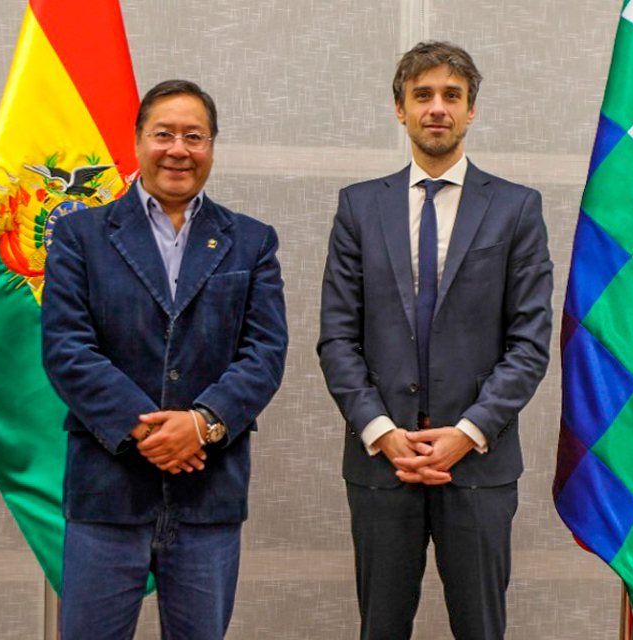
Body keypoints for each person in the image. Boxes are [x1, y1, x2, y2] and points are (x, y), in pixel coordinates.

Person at [317, 41, 553, 640]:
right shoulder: (359, 207)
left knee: (481, 629)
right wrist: (382, 432)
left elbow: (528, 343)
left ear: (472, 110)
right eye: (422, 95)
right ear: (400, 109)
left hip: (477, 464)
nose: (437, 108)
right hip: (380, 463)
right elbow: (338, 338)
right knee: (381, 629)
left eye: (452, 95)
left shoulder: (517, 209)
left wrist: (467, 433)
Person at [42, 79, 288, 639]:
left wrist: (199, 425)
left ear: (212, 146)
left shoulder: (251, 242)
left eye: (194, 136)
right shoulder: (80, 235)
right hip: (107, 494)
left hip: (208, 500)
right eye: (164, 134)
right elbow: (66, 348)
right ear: (138, 142)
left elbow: (265, 353)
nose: (179, 149)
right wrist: (152, 431)